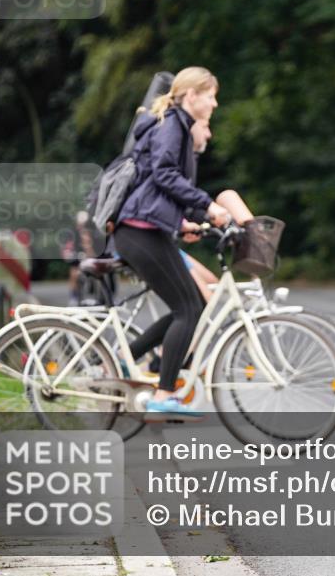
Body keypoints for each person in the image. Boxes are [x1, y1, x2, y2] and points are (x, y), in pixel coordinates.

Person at [112, 66, 231, 419]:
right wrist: (209, 206)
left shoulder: (175, 124)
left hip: (146, 228)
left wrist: (185, 223)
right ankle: (164, 393)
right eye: (210, 95)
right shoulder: (172, 124)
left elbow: (157, 188)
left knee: (191, 305)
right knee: (189, 308)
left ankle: (124, 359)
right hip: (138, 231)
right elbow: (164, 176)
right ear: (191, 95)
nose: (214, 103)